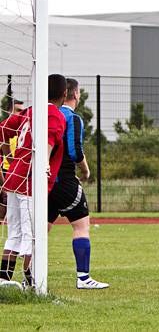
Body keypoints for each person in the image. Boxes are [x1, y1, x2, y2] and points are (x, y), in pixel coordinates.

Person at [0, 75, 67, 288]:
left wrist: (10, 158)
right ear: (64, 94)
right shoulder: (54, 115)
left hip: (14, 179)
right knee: (32, 235)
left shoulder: (29, 111)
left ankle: (3, 278)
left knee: (15, 233)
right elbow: (48, 139)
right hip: (30, 180)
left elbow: (2, 131)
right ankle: (32, 284)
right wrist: (44, 165)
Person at [49, 79, 109, 289]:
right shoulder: (71, 118)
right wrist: (85, 170)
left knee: (39, 231)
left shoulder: (42, 116)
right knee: (81, 226)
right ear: (73, 94)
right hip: (64, 180)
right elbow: (74, 152)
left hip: (44, 182)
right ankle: (83, 278)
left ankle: (27, 277)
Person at [1, 99, 24, 221]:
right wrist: (3, 181)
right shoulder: (4, 129)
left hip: (21, 174)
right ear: (9, 111)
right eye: (18, 111)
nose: (21, 114)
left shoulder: (25, 130)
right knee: (4, 212)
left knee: (18, 215)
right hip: (6, 172)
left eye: (22, 111)